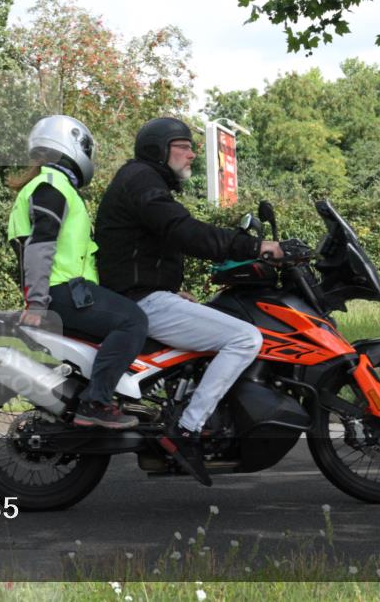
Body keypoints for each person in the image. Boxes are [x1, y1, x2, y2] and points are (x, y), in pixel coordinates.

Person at [94, 117, 284, 485]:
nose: (192, 153)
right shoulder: (142, 182)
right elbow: (183, 231)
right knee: (245, 338)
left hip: (144, 293)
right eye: (183, 146)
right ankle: (187, 429)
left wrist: (169, 287)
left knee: (216, 319)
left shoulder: (143, 182)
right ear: (158, 150)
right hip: (141, 300)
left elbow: (150, 244)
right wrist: (253, 246)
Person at [7, 115, 149, 429]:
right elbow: (40, 244)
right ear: (69, 144)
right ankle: (96, 402)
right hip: (61, 293)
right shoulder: (51, 185)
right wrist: (37, 303)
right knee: (133, 321)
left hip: (70, 291)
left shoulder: (55, 186)